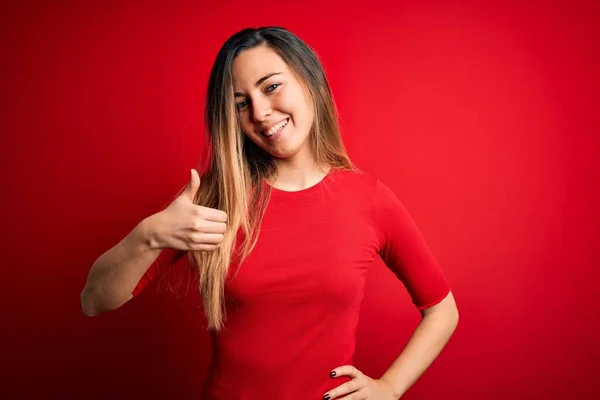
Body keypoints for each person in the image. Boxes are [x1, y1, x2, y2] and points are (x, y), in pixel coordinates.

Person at [81, 26, 459, 400]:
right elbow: (93, 300)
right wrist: (149, 234)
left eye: (271, 86)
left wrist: (389, 388)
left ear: (308, 81)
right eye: (241, 103)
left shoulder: (370, 200)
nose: (260, 113)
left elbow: (443, 311)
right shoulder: (214, 198)